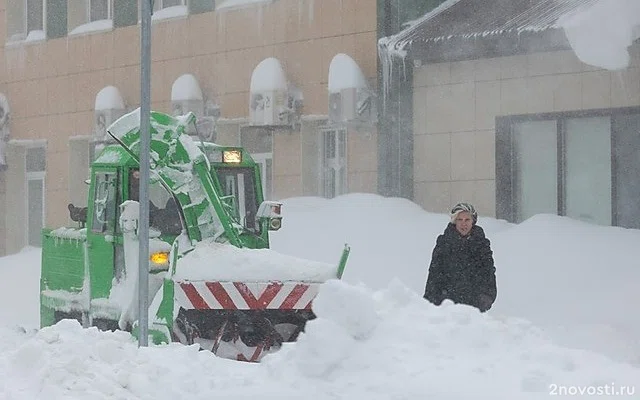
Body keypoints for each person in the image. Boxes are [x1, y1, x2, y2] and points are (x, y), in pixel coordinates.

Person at [423, 202, 497, 312]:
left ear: (473, 221)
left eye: (467, 220)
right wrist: (431, 300)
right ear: (454, 221)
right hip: (447, 305)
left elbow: (488, 273)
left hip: (474, 306)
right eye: (460, 220)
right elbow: (434, 273)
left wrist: (487, 296)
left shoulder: (481, 244)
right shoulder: (444, 243)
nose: (464, 224)